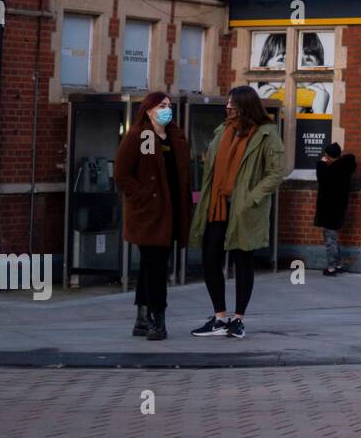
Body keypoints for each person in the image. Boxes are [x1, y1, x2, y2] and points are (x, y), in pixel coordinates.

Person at [188, 86, 287, 338]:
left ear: (246, 105)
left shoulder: (267, 134)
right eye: (228, 103)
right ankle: (219, 317)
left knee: (243, 261)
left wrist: (251, 198)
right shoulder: (223, 130)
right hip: (217, 205)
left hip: (244, 208)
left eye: (233, 103)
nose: (228, 107)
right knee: (210, 258)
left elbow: (276, 173)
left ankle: (238, 319)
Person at [114, 92, 191, 341]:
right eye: (162, 106)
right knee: (156, 267)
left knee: (150, 266)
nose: (167, 109)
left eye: (169, 105)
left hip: (172, 212)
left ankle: (141, 319)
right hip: (148, 214)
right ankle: (158, 320)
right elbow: (122, 174)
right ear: (148, 110)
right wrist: (143, 196)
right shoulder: (139, 136)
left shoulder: (176, 138)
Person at [315, 142, 356, 275]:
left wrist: (321, 164)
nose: (325, 159)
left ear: (330, 157)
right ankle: (338, 264)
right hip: (338, 208)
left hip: (330, 209)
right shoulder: (344, 168)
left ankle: (331, 267)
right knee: (334, 237)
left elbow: (323, 179)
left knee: (330, 239)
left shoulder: (333, 170)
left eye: (326, 156)